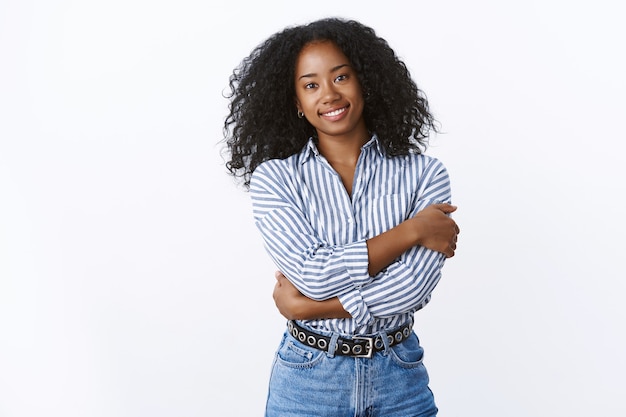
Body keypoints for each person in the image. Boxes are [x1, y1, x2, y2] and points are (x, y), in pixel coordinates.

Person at [222, 17, 459, 417]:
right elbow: (312, 274)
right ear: (296, 102)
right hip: (309, 379)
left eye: (341, 77)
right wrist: (412, 230)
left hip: (399, 376)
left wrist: (311, 308)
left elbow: (412, 288)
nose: (329, 94)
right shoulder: (276, 179)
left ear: (365, 81)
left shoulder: (425, 174)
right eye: (311, 85)